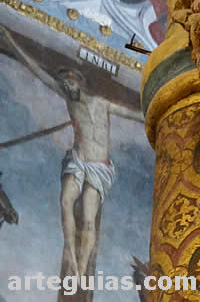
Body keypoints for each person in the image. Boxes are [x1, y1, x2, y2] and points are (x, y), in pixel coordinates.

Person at [0, 26, 116, 280]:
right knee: (65, 203)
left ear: (80, 83)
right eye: (64, 83)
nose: (67, 85)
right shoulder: (68, 98)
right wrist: (10, 39)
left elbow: (132, 112)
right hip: (78, 160)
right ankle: (72, 257)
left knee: (87, 217)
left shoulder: (100, 103)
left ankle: (82, 268)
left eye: (70, 82)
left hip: (98, 166)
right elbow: (37, 72)